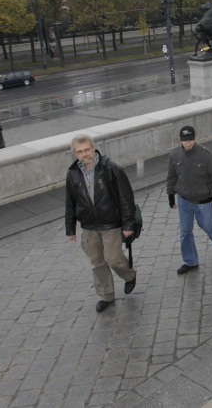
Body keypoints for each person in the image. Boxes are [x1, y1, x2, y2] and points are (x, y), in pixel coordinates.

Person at [66, 134, 138, 313]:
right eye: (80, 151)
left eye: (87, 149)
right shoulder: (73, 173)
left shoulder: (111, 169)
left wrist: (128, 224)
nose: (84, 154)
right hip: (89, 226)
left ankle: (129, 275)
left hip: (110, 224)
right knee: (97, 262)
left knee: (113, 259)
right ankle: (106, 295)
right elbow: (70, 202)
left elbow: (126, 199)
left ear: (93, 148)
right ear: (75, 153)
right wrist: (70, 228)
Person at [167, 126, 212, 275]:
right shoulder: (174, 155)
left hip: (203, 201)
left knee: (207, 226)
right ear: (180, 140)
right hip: (184, 200)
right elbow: (171, 177)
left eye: (190, 140)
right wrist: (170, 195)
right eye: (185, 141)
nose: (188, 144)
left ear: (195, 138)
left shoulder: (207, 155)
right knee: (185, 232)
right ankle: (190, 261)